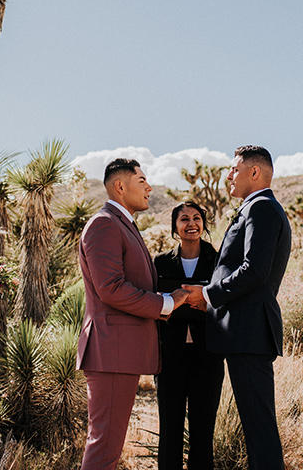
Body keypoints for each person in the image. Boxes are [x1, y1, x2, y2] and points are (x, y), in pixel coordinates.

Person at [183, 145, 291, 470]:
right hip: (243, 333)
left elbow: (254, 270)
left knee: (260, 431)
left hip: (249, 333)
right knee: (257, 429)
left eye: (234, 169)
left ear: (254, 172)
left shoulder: (262, 209)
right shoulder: (255, 209)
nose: (228, 175)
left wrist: (209, 295)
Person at [77, 158, 190, 470]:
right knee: (104, 449)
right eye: (142, 181)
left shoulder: (121, 224)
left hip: (118, 352)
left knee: (107, 446)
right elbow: (110, 288)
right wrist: (166, 303)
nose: (149, 187)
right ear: (120, 186)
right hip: (111, 351)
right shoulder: (104, 224)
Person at [154, 202, 224, 470]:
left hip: (208, 356)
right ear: (175, 227)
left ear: (203, 225)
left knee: (203, 432)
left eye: (197, 218)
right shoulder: (160, 262)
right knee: (169, 431)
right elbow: (152, 302)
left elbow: (226, 301)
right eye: (184, 219)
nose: (191, 223)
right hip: (170, 357)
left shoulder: (217, 261)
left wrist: (205, 304)